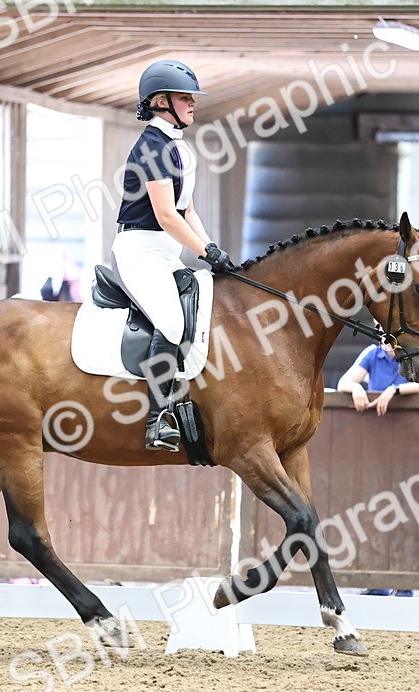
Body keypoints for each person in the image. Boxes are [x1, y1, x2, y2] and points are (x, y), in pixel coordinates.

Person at [111, 60, 238, 452]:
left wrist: (215, 251)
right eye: (185, 98)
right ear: (161, 102)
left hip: (166, 251)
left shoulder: (177, 148)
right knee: (170, 321)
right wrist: (204, 250)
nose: (192, 104)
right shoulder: (151, 147)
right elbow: (165, 215)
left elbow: (187, 211)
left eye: (191, 99)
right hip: (140, 250)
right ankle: (156, 419)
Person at [336, 342, 419, 415]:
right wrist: (356, 388)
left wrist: (394, 390)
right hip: (378, 421)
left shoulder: (415, 354)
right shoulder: (372, 354)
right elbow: (343, 382)